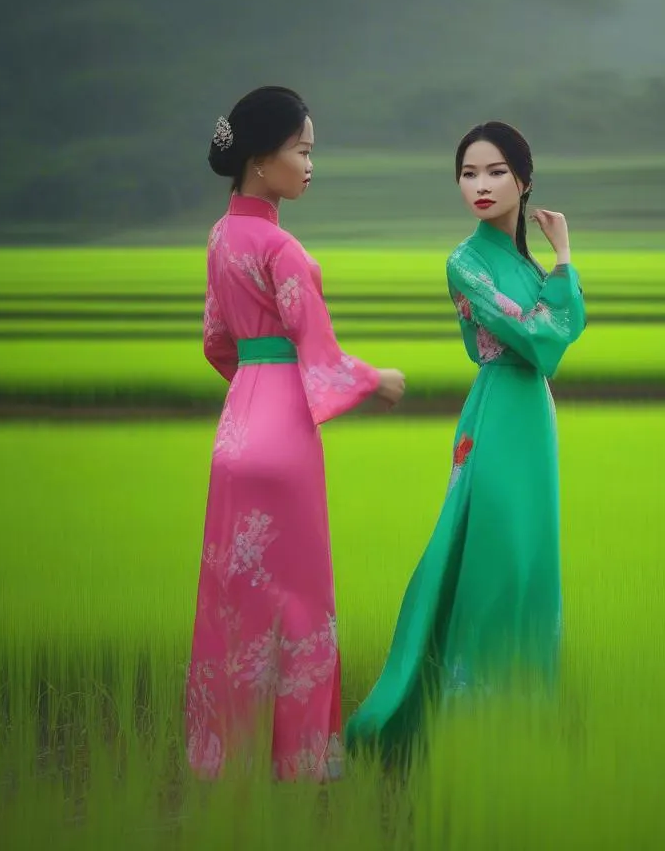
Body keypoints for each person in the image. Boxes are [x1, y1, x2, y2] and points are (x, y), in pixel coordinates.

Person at [344, 120, 586, 765]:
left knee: (534, 560)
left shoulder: (527, 263)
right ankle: (465, 711)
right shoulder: (464, 263)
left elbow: (562, 329)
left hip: (533, 417)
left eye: (495, 171)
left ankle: (525, 709)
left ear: (524, 180)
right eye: (468, 173)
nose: (479, 185)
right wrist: (561, 274)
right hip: (498, 411)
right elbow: (543, 337)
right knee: (495, 555)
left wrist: (562, 259)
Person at [184, 86, 406, 782]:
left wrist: (254, 384)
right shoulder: (281, 248)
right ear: (260, 158)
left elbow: (217, 343)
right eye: (302, 151)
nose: (311, 164)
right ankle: (302, 760)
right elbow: (322, 353)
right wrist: (378, 379)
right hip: (285, 430)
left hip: (238, 429)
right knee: (300, 599)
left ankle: (223, 755)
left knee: (233, 600)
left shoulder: (221, 238)